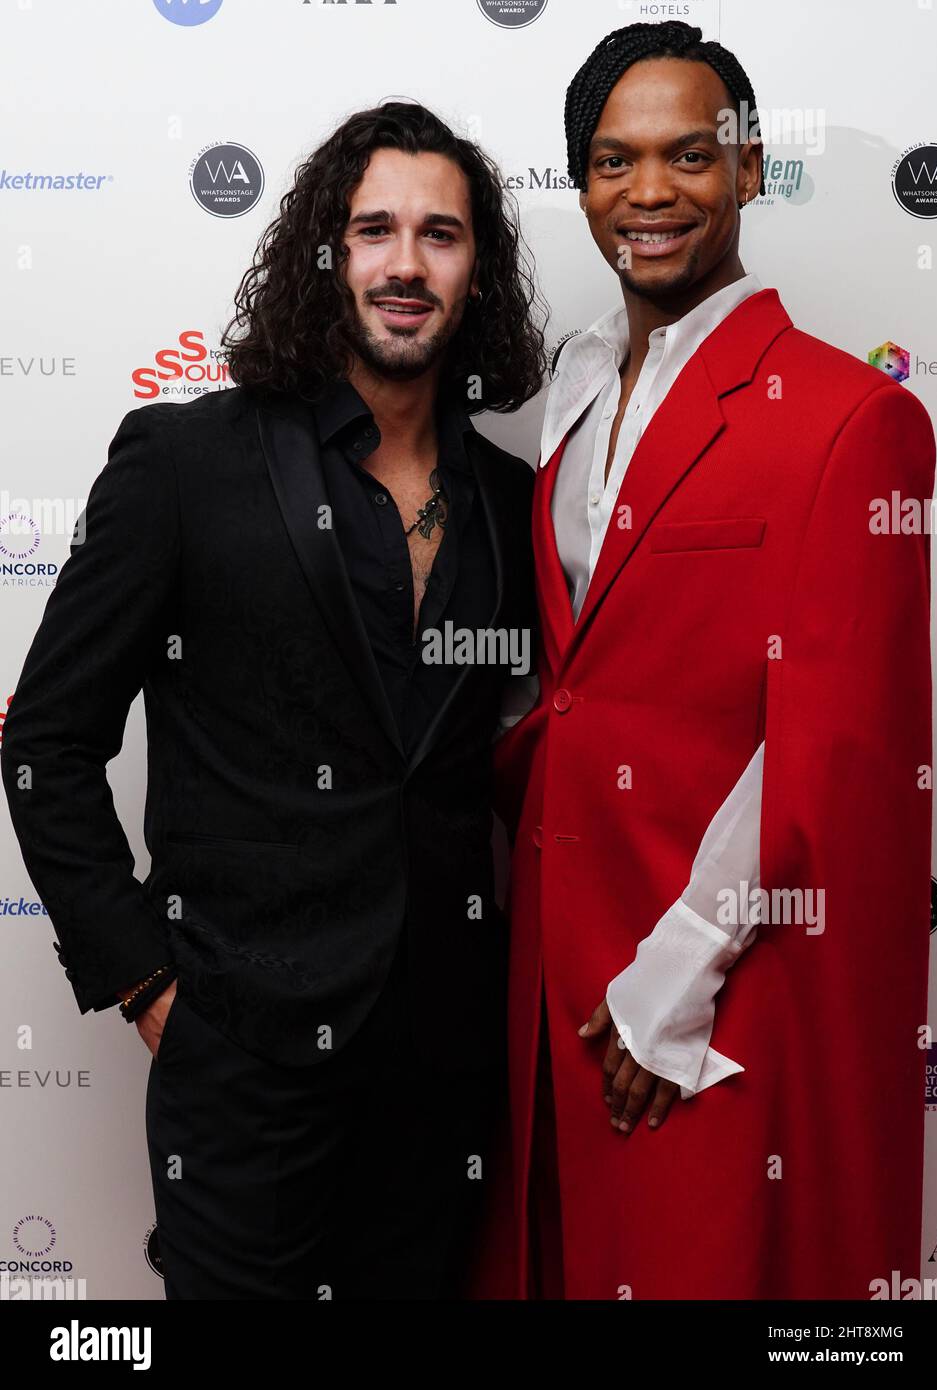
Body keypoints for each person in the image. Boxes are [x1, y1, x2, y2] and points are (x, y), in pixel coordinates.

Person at [1, 100, 546, 1300]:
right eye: (374, 230)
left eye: (441, 234)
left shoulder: (515, 502)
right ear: (324, 253)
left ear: (477, 270)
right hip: (242, 1060)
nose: (405, 264)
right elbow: (46, 739)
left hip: (445, 1067)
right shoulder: (186, 462)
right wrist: (149, 986)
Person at [490, 21, 935, 1300]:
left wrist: (672, 976)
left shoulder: (854, 420)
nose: (649, 193)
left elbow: (829, 742)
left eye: (689, 154)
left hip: (710, 990)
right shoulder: (567, 398)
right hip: (550, 972)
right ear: (578, 187)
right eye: (613, 162)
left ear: (749, 171)